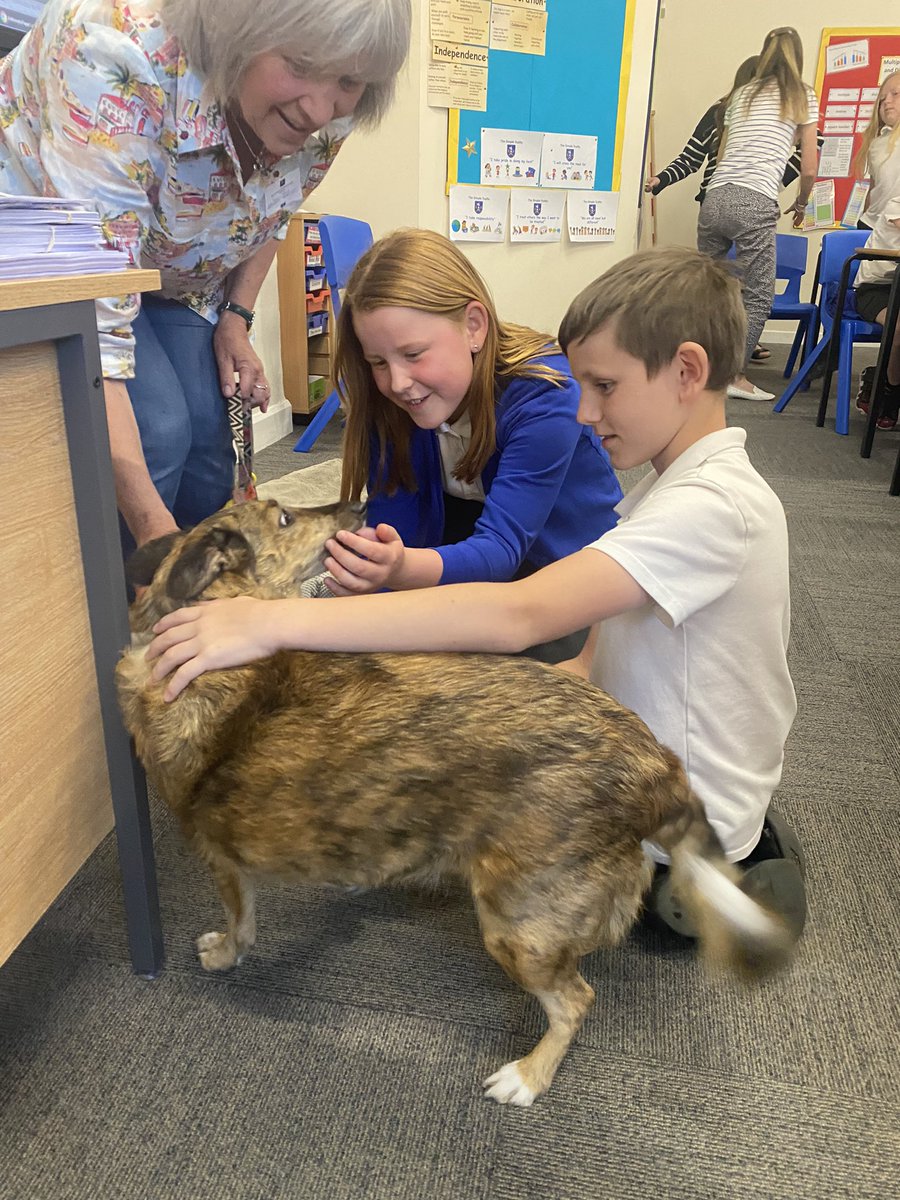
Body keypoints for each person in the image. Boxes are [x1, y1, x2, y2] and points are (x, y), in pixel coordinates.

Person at [145, 246, 807, 937]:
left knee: (470, 824)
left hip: (672, 807)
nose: (584, 412)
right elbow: (592, 652)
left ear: (687, 371)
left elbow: (519, 614)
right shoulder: (670, 486)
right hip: (641, 751)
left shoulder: (714, 509)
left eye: (604, 387)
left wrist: (274, 623)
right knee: (445, 727)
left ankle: (710, 873)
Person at [0, 0, 411, 547]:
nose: (319, 109)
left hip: (174, 269)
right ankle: (119, 610)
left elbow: (272, 211)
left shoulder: (332, 110)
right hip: (51, 248)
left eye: (348, 80)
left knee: (210, 444)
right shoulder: (114, 52)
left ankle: (201, 604)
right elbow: (99, 332)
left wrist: (235, 319)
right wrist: (157, 547)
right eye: (300, 64)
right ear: (240, 25)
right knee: (160, 433)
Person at [313, 227, 623, 665]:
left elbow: (500, 551)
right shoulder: (390, 399)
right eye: (379, 362)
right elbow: (395, 530)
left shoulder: (548, 393)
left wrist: (399, 573)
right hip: (460, 548)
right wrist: (374, 580)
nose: (398, 383)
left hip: (561, 575)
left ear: (473, 327)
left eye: (415, 353)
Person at [645, 53, 822, 364]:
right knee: (750, 291)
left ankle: (710, 352)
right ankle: (730, 364)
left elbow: (689, 158)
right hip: (751, 205)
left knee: (711, 287)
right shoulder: (778, 113)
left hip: (714, 205)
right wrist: (660, 181)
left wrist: (660, 180)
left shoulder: (729, 111)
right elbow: (812, 150)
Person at [697, 26, 818, 402]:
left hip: (715, 196)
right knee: (758, 294)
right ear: (796, 57)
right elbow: (810, 167)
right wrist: (799, 205)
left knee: (705, 289)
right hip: (755, 199)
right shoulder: (802, 95)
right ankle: (734, 375)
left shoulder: (743, 93)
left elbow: (722, 155)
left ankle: (692, 367)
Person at [852, 71, 900, 430]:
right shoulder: (882, 146)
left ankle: (883, 381)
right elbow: (887, 208)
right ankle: (886, 388)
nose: (887, 102)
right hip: (879, 280)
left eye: (896, 95)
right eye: (884, 97)